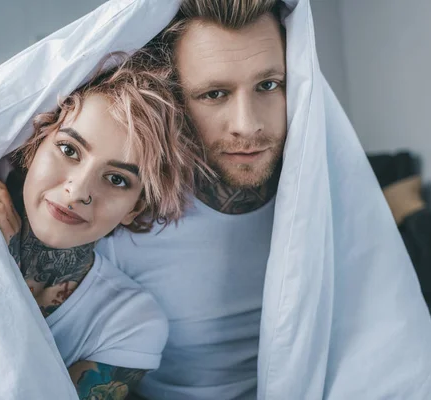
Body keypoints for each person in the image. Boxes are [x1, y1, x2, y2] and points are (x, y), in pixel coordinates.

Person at [0, 51, 210, 400]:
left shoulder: (130, 321)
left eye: (116, 178)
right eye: (69, 150)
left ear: (134, 207)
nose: (78, 191)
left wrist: (10, 274)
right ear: (35, 146)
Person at [96, 1, 287, 399]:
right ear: (175, 101)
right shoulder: (126, 220)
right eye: (214, 94)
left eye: (268, 86)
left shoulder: (327, 196)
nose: (247, 124)